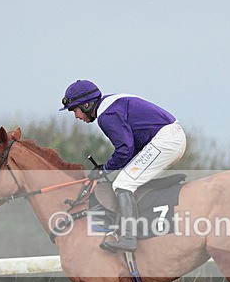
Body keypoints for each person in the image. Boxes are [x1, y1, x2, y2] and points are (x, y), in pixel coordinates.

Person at [59, 79, 187, 252]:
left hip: (165, 141)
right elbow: (130, 148)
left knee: (123, 183)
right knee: (129, 178)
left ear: (87, 104)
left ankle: (128, 238)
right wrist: (109, 166)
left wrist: (106, 168)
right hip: (169, 138)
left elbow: (125, 149)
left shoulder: (106, 116)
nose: (76, 116)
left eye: (75, 110)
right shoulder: (110, 104)